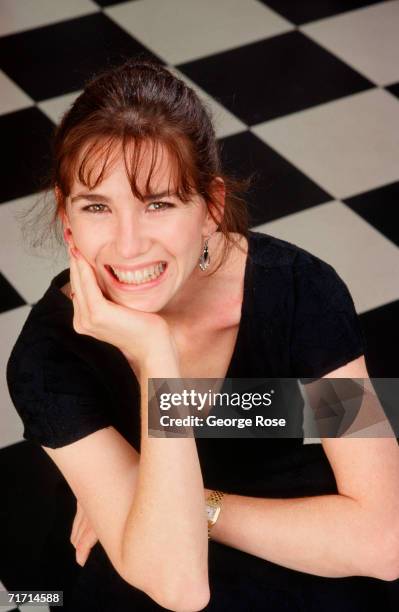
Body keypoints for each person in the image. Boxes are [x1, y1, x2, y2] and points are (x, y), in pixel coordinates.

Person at [6, 58, 399, 612]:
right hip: (138, 555)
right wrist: (155, 353)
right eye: (97, 206)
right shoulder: (46, 358)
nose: (128, 245)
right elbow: (178, 586)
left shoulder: (302, 290)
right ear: (67, 219)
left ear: (211, 208)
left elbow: (385, 543)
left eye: (159, 204)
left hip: (296, 528)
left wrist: (193, 501)